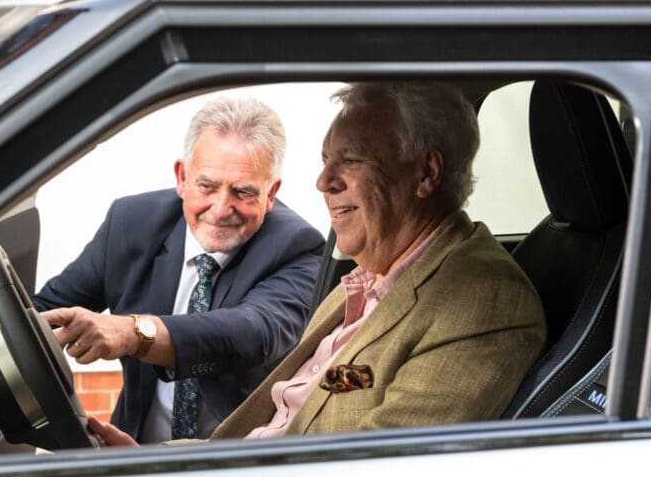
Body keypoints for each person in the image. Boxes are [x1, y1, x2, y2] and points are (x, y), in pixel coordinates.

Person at [88, 81, 547, 447]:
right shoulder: (366, 282)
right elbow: (277, 433)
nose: (323, 181)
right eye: (327, 161)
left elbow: (376, 474)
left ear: (425, 173)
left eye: (349, 160)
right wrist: (151, 464)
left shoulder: (480, 301)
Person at [0, 95, 324, 442]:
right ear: (182, 177)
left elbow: (251, 333)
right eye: (207, 186)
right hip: (132, 448)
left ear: (271, 194)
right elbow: (44, 309)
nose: (221, 210)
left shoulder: (297, 247)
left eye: (243, 192)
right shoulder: (131, 223)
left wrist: (135, 333)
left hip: (239, 464)